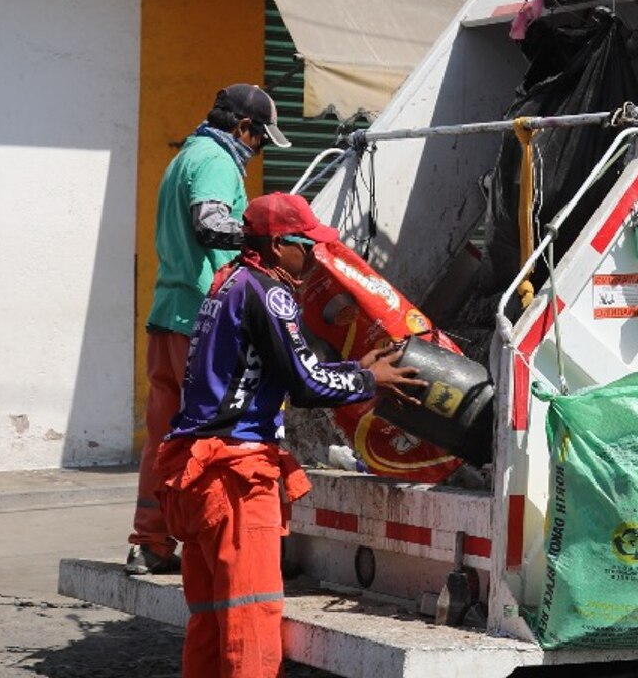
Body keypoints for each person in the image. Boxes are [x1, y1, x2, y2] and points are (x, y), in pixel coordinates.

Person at [154, 192, 426, 677]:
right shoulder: (270, 292)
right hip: (235, 480)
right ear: (279, 245)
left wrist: (351, 368)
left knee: (211, 627)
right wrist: (369, 380)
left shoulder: (228, 283)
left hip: (195, 476)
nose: (315, 256)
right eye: (307, 245)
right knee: (251, 622)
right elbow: (305, 384)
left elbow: (281, 367)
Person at [128, 84, 291, 575]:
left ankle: (151, 542)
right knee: (214, 435)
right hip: (202, 319)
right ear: (244, 128)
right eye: (261, 137)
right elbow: (210, 223)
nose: (258, 148)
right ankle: (209, 540)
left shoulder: (186, 156)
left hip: (167, 315)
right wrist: (267, 239)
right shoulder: (218, 161)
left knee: (164, 435)